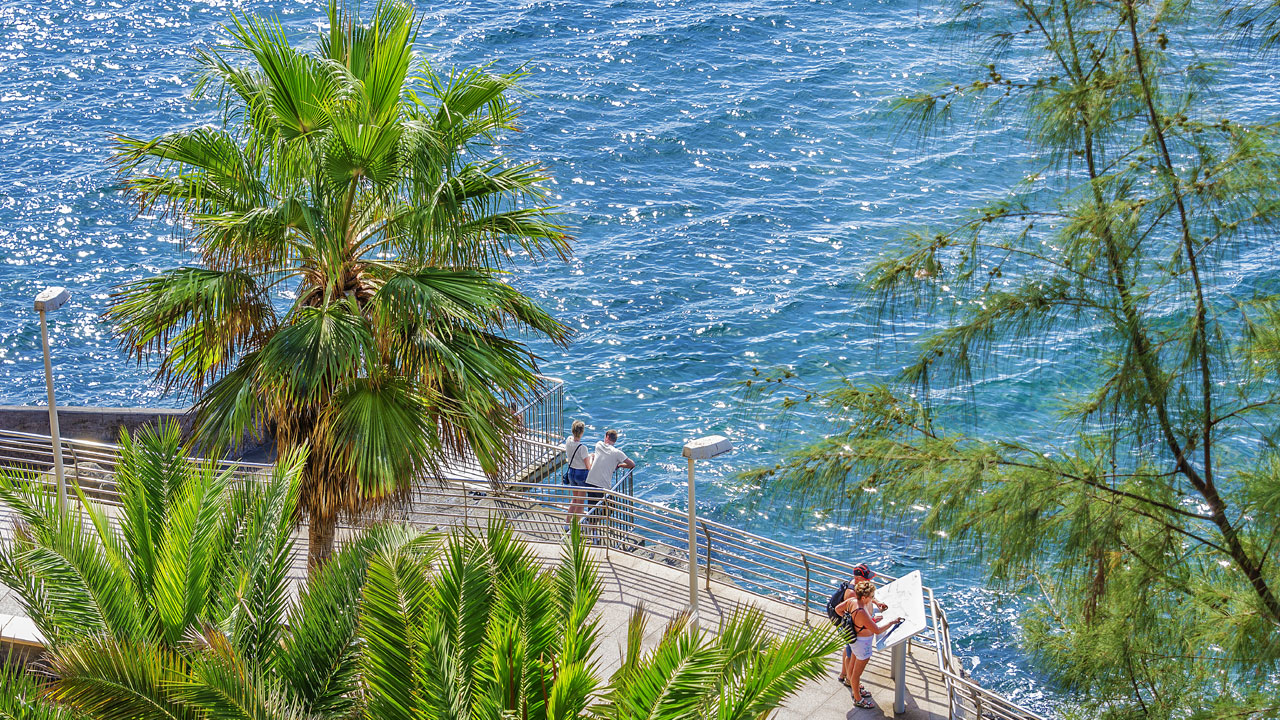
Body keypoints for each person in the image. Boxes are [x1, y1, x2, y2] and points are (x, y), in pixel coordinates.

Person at [836, 580, 902, 710]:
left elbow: (838, 609)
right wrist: (892, 622)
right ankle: (858, 699)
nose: (873, 599)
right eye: (872, 597)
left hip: (855, 641)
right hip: (863, 645)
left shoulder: (853, 601)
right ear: (865, 597)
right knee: (856, 674)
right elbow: (877, 630)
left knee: (854, 667)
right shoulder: (861, 611)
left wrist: (849, 619)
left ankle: (855, 689)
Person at [834, 564, 888, 686]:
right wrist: (852, 621)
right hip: (852, 628)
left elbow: (866, 596)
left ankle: (844, 674)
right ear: (858, 578)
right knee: (850, 653)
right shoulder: (852, 595)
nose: (869, 580)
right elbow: (856, 612)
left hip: (853, 625)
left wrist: (877, 602)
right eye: (867, 578)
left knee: (849, 649)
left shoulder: (858, 587)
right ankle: (850, 681)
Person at [583, 428, 634, 517]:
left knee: (592, 508)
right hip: (603, 486)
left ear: (607, 437)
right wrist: (620, 465)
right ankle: (595, 521)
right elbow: (632, 464)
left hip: (590, 481)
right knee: (610, 506)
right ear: (615, 440)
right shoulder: (617, 453)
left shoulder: (598, 445)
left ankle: (592, 525)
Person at [564, 420, 594, 521]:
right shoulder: (582, 448)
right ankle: (576, 526)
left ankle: (567, 523)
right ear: (582, 432)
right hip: (581, 474)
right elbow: (588, 466)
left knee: (575, 500)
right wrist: (591, 457)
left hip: (571, 472)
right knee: (580, 503)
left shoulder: (568, 440)